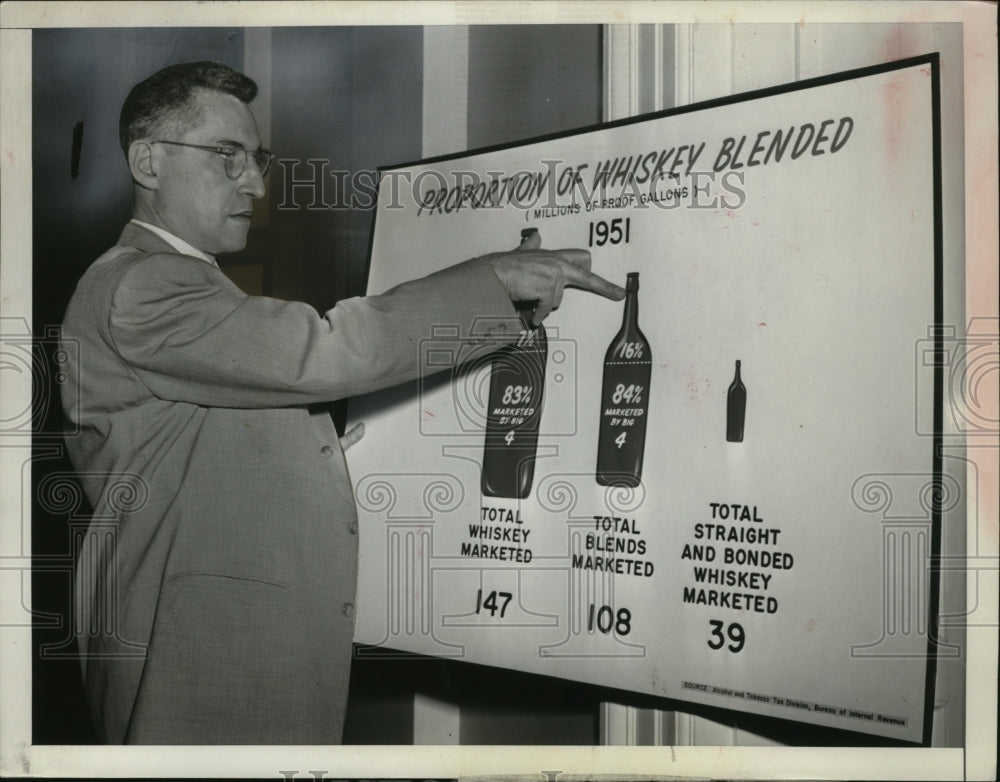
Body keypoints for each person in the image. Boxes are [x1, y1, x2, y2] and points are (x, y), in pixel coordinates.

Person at [59, 60, 623, 744]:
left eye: (257, 159)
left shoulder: (175, 285)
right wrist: (493, 281)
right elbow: (321, 353)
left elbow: (196, 443)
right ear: (148, 161)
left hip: (213, 641)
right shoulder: (144, 285)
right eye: (227, 155)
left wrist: (313, 450)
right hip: (196, 653)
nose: (255, 183)